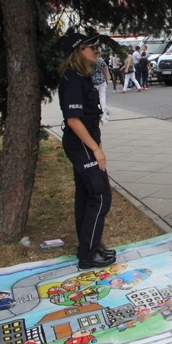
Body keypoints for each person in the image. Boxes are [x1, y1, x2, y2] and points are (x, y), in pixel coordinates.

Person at [57, 33, 116, 269]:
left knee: (86, 194)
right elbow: (73, 120)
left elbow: (92, 118)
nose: (96, 50)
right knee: (101, 195)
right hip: (80, 143)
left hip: (88, 140)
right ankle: (88, 256)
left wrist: (98, 145)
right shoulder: (71, 79)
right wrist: (95, 150)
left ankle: (89, 246)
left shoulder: (83, 76)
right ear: (79, 51)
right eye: (92, 47)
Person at [91, 50, 110, 124]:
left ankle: (95, 110)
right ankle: (103, 110)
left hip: (93, 81)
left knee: (94, 97)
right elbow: (106, 69)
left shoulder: (89, 62)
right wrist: (107, 78)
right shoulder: (100, 60)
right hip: (102, 80)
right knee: (102, 96)